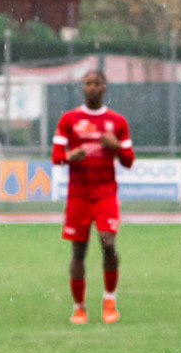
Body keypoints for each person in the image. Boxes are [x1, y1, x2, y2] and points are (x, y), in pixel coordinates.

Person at [50, 69, 134, 324]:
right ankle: (79, 307)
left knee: (108, 244)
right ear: (82, 88)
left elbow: (129, 161)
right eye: (87, 83)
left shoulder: (117, 122)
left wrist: (116, 147)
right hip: (78, 195)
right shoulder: (69, 119)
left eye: (96, 83)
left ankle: (109, 301)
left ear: (105, 87)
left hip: (105, 192)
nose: (91, 87)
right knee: (79, 251)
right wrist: (69, 157)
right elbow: (56, 157)